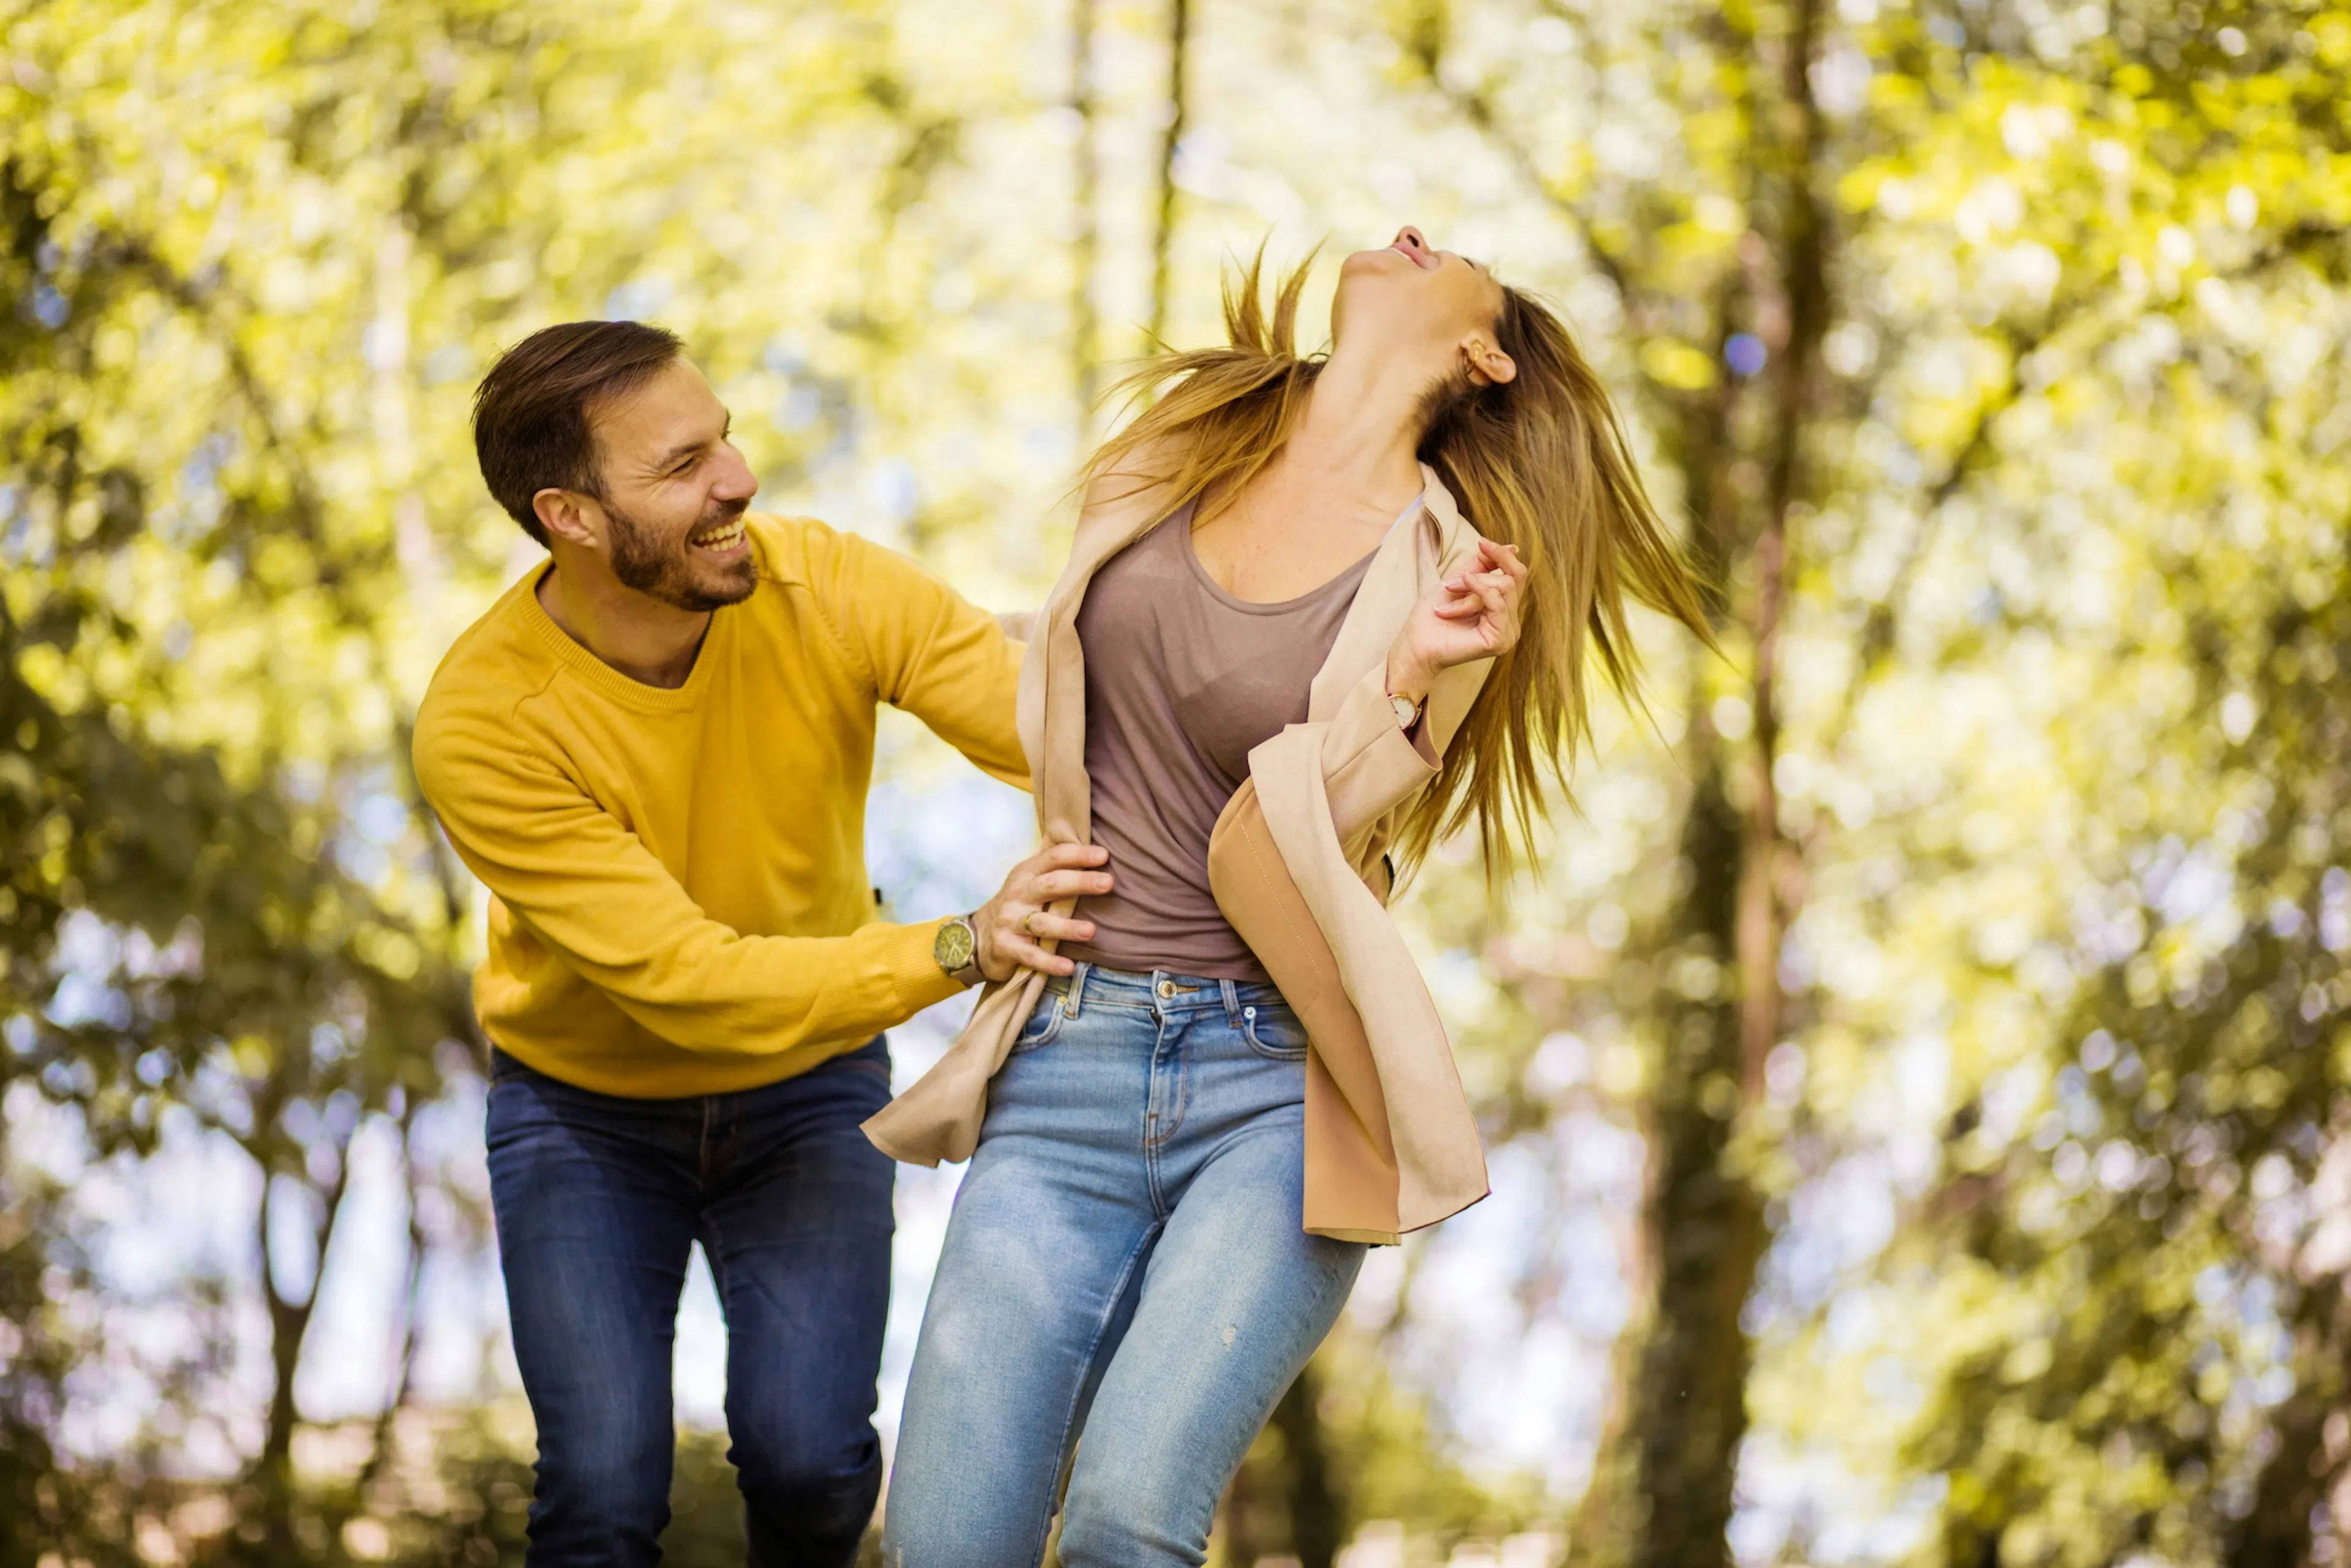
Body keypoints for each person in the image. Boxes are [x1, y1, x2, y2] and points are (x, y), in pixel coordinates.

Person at [868, 228, 1714, 1566]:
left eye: (1463, 256)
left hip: (1274, 1090)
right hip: (1067, 1056)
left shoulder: (1450, 567)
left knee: (1126, 1520)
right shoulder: (1185, 441)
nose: (1418, 233)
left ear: (1481, 354)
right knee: (940, 1542)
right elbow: (1056, 684)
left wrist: (1408, 679)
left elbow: (1307, 824)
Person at [411, 320, 1107, 1566]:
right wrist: (959, 944)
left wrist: (1372, 672)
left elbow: (1054, 722)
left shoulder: (821, 583)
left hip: (807, 1089)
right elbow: (690, 981)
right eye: (684, 464)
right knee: (603, 1491)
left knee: (813, 1461)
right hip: (584, 1117)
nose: (737, 478)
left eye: (724, 436)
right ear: (569, 514)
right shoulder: (486, 721)